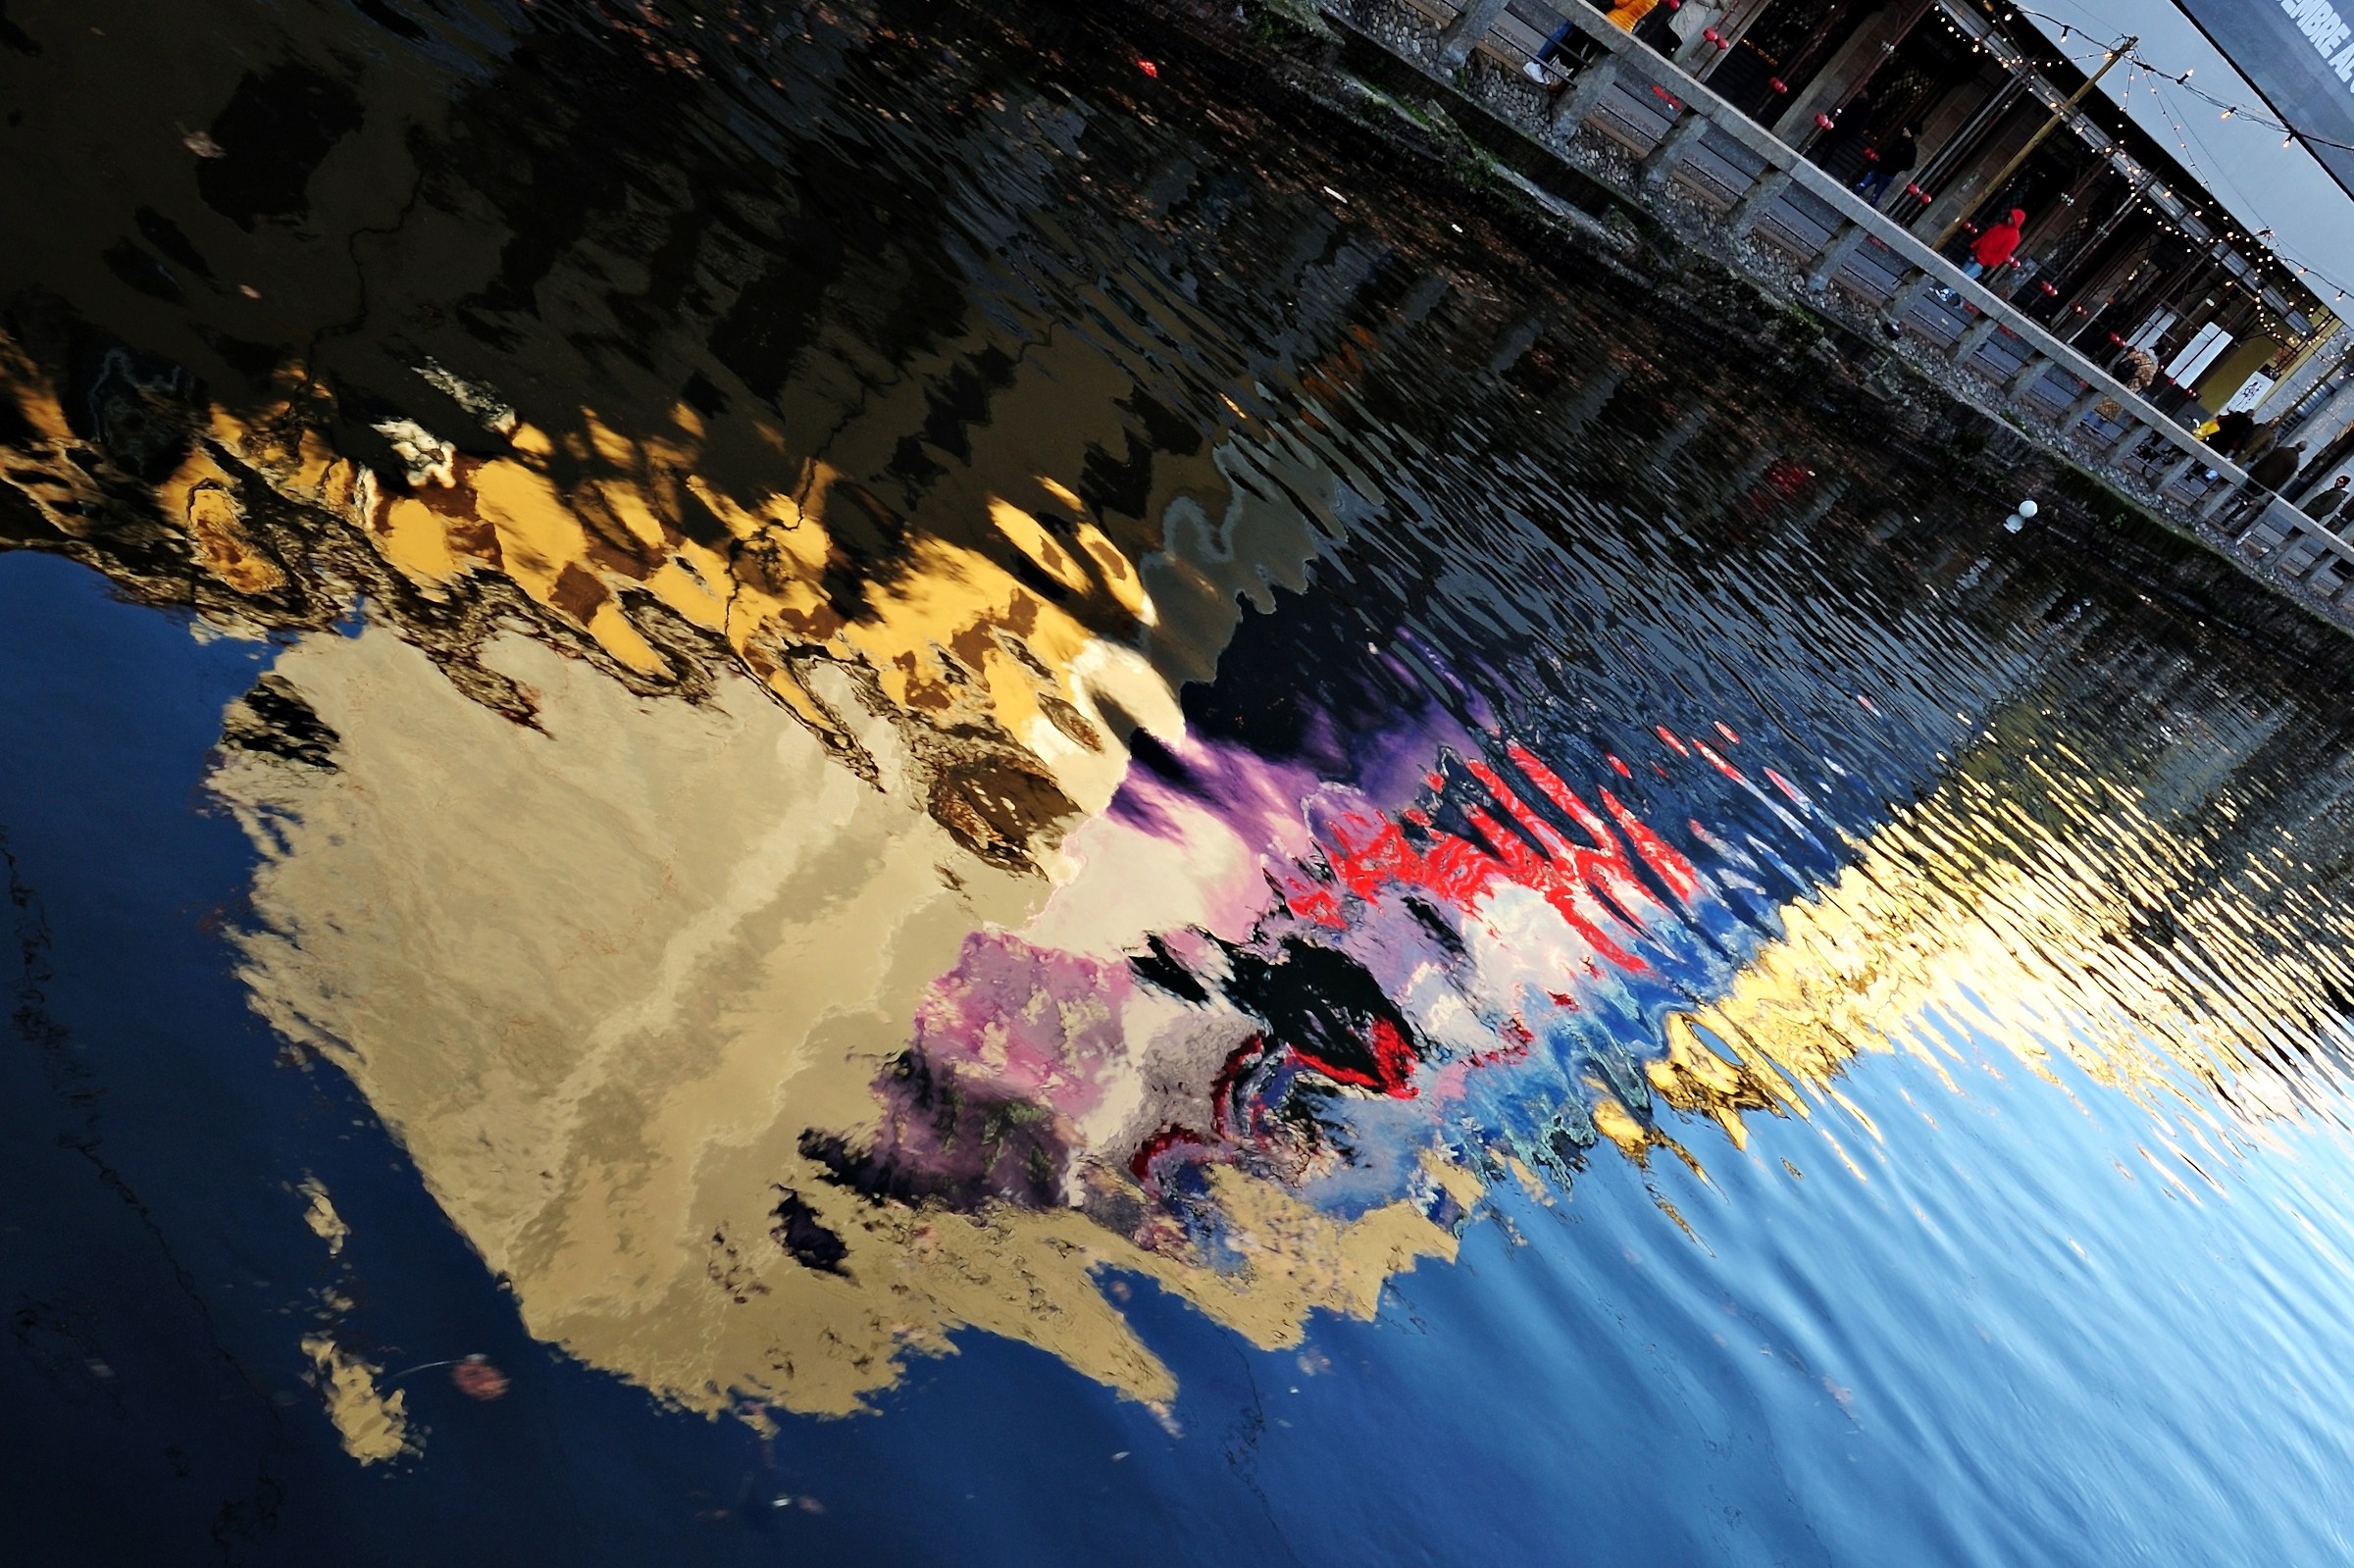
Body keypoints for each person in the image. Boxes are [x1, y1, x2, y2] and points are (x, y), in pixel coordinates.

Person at [2225, 440, 2305, 535]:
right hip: (2268, 483)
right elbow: (2283, 479)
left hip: (2258, 474)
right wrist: (2273, 490)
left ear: (2296, 444)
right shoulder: (2294, 462)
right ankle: (2231, 516)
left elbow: (2265, 460)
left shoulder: (2281, 449)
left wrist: (2252, 470)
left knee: (2242, 492)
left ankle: (2226, 505)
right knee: (2249, 499)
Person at [1853, 125, 1920, 207]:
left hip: (1887, 174)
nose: (1904, 130)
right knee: (1861, 186)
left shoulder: (1911, 148)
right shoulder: (1899, 141)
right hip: (1880, 168)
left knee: (1874, 196)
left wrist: (1895, 167)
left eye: (1906, 129)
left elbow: (1909, 165)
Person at [1963, 208, 2026, 280]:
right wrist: (1974, 245)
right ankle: (1950, 290)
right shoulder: (2000, 226)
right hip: (1978, 253)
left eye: (2012, 218)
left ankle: (1950, 291)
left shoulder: (2014, 236)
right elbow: (1985, 237)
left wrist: (1991, 263)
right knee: (1962, 273)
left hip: (1984, 260)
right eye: (2010, 217)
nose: (2009, 219)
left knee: (1966, 277)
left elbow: (2003, 253)